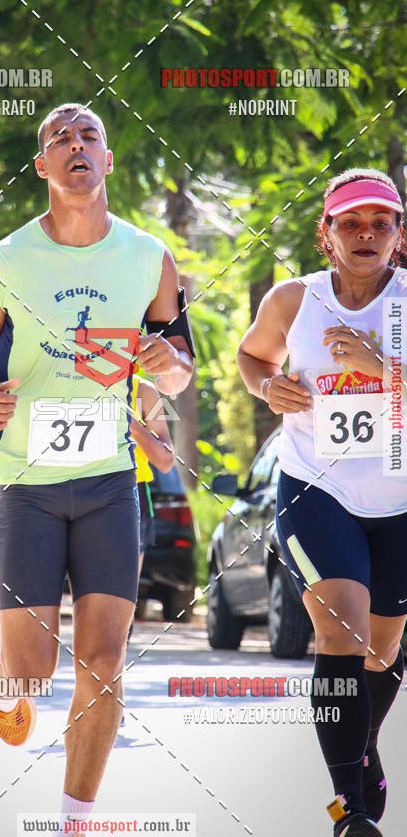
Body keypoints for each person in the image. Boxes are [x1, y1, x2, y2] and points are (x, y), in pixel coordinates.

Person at [0, 103, 194, 831]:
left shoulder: (150, 257)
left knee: (103, 662)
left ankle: (75, 820)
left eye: (89, 134)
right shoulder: (3, 260)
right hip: (27, 485)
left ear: (108, 159)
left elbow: (181, 368)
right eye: (60, 137)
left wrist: (167, 361)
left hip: (109, 484)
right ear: (43, 166)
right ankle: (3, 676)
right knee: (33, 670)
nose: (76, 144)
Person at [237, 168, 407, 836]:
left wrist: (380, 369)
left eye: (381, 223)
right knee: (341, 631)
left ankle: (361, 747)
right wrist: (267, 386)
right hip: (316, 489)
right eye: (350, 223)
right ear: (327, 234)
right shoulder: (293, 300)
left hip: (399, 500)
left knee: (382, 650)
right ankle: (348, 808)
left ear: (398, 235)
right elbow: (253, 357)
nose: (366, 234)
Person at [129, 374, 174, 628]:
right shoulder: (64, 376)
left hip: (131, 492)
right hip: (71, 490)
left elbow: (166, 460)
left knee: (122, 593)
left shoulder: (144, 391)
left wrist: (133, 426)